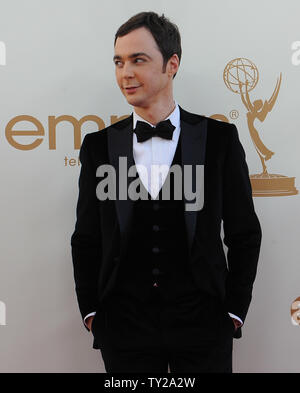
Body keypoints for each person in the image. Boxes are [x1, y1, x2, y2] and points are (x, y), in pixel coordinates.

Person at [71, 11, 262, 373]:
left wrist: (233, 313)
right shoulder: (99, 147)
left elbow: (244, 233)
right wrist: (93, 313)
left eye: (138, 60)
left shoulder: (218, 140)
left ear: (171, 64)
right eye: (118, 61)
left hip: (204, 326)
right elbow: (86, 238)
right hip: (124, 329)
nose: (125, 72)